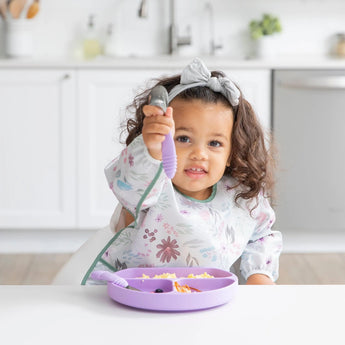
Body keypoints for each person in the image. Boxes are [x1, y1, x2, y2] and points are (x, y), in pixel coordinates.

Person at [82, 57, 282, 285]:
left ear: (232, 152)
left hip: (210, 298)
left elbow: (261, 235)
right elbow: (130, 181)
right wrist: (150, 149)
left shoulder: (240, 195)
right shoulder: (149, 189)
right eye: (183, 139)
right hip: (140, 296)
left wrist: (259, 273)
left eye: (214, 143)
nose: (199, 154)